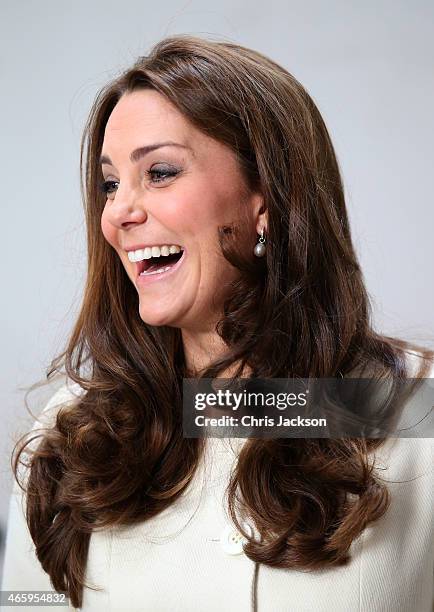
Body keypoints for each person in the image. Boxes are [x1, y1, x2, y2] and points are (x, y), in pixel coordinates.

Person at [2, 34, 433, 612]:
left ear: (266, 201)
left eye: (159, 172)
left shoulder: (417, 415)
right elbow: (29, 605)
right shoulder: (68, 439)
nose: (120, 213)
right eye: (110, 185)